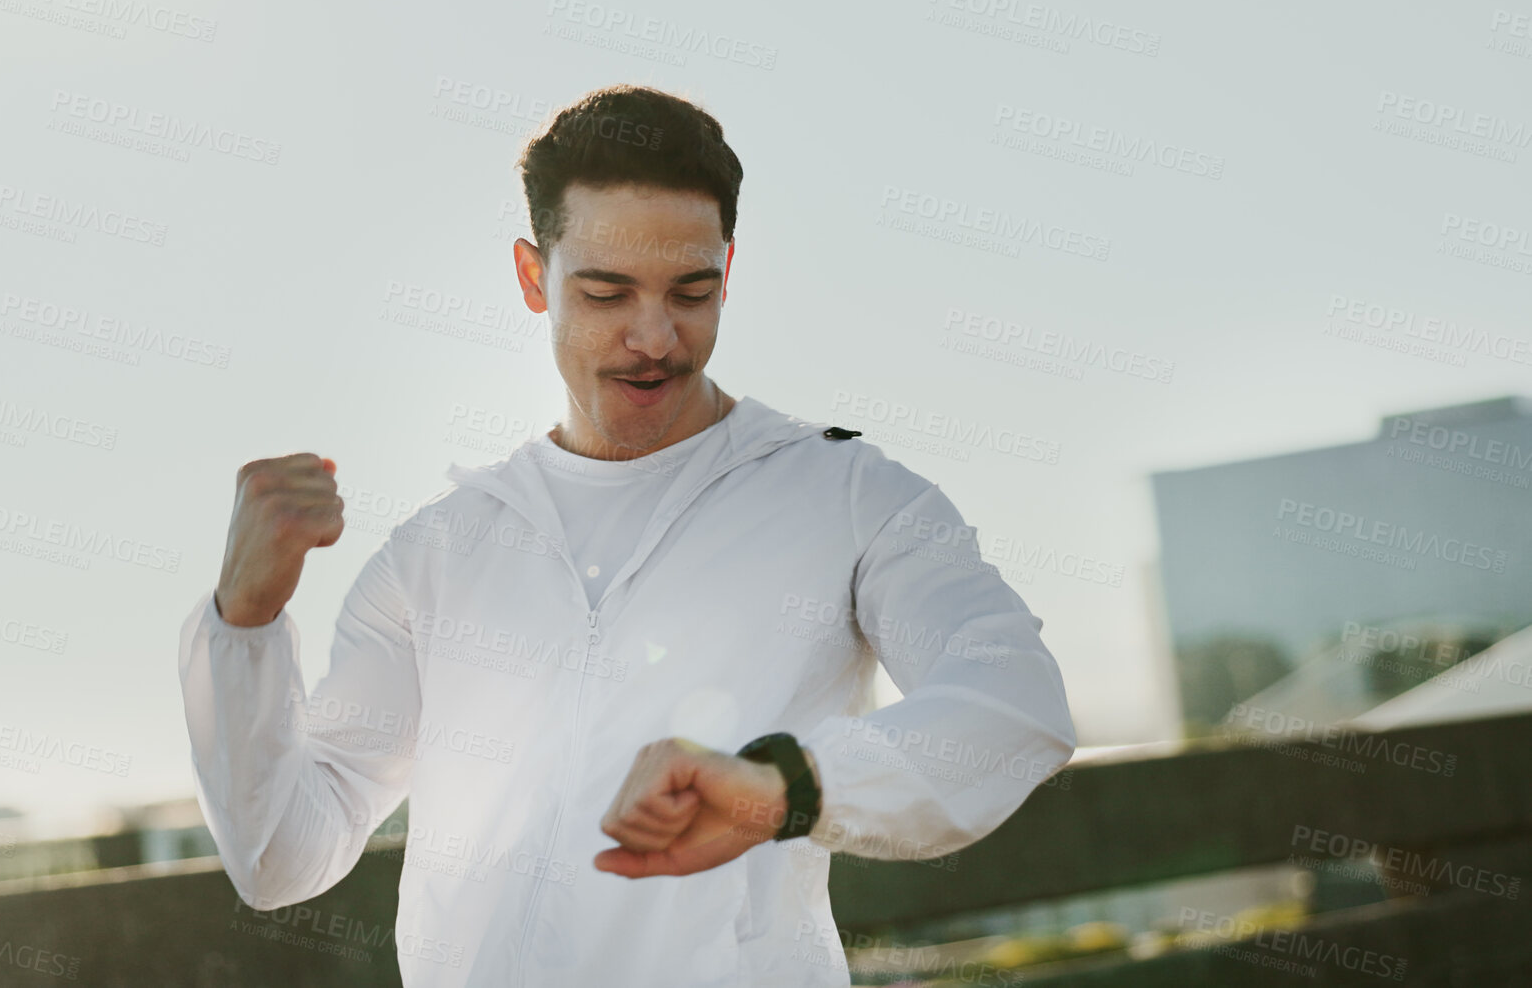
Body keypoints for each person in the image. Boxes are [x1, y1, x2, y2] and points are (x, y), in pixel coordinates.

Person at [178, 84, 1077, 987]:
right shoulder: (437, 553)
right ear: (534, 279)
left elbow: (1013, 701)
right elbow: (281, 857)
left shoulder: (848, 495)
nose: (654, 337)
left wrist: (786, 786)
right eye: (607, 292)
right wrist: (244, 621)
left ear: (728, 269)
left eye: (691, 290)